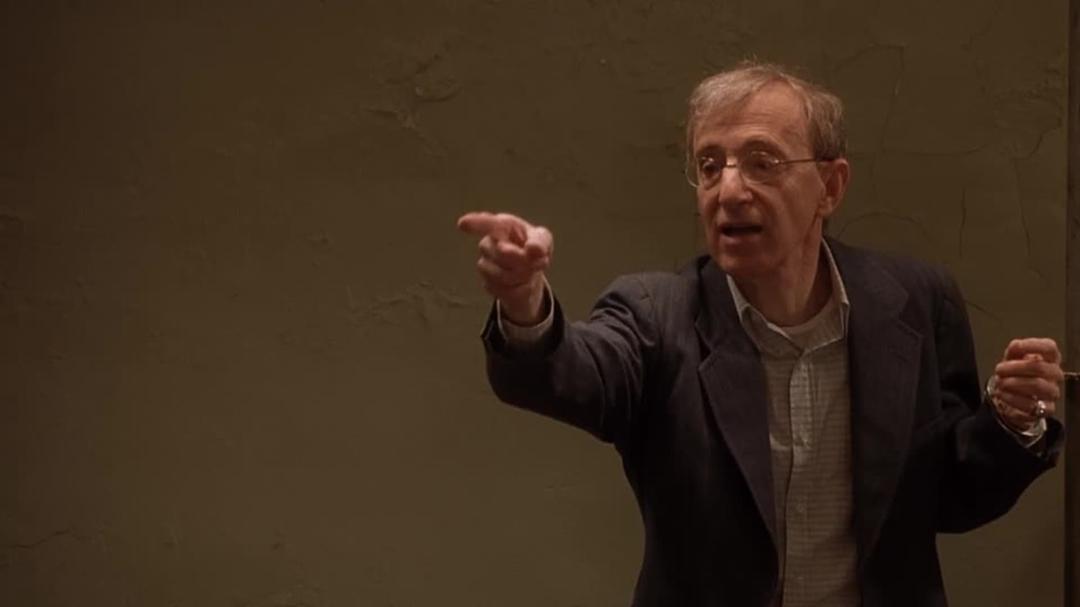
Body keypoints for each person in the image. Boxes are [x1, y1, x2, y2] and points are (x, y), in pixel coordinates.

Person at [455, 62, 1064, 606]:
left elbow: (951, 496)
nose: (729, 190)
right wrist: (524, 299)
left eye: (762, 162)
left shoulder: (915, 303)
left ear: (830, 186)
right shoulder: (655, 313)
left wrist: (1013, 423)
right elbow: (575, 373)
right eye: (709, 165)